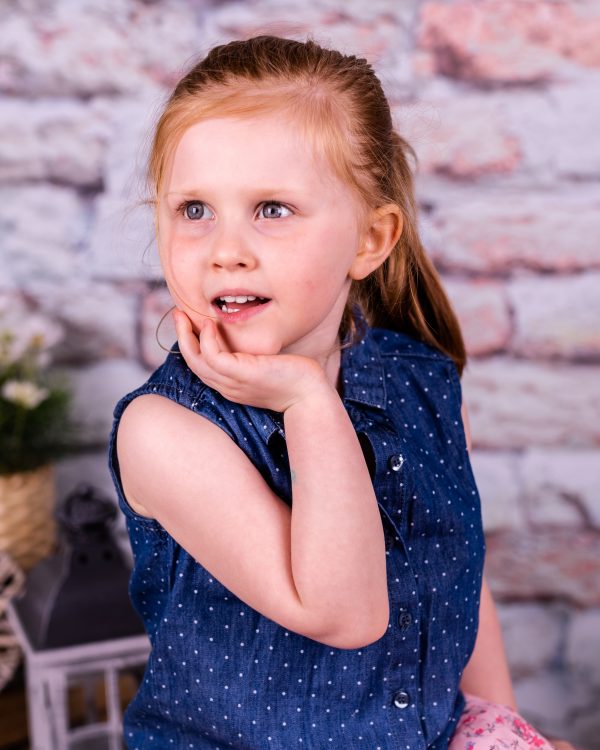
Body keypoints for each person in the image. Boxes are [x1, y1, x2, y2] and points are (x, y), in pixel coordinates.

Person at [108, 35, 575, 750]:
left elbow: (454, 570)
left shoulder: (418, 380)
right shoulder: (166, 433)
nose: (226, 250)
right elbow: (342, 613)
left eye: (272, 209)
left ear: (370, 240)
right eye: (194, 210)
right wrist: (308, 402)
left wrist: (501, 728)